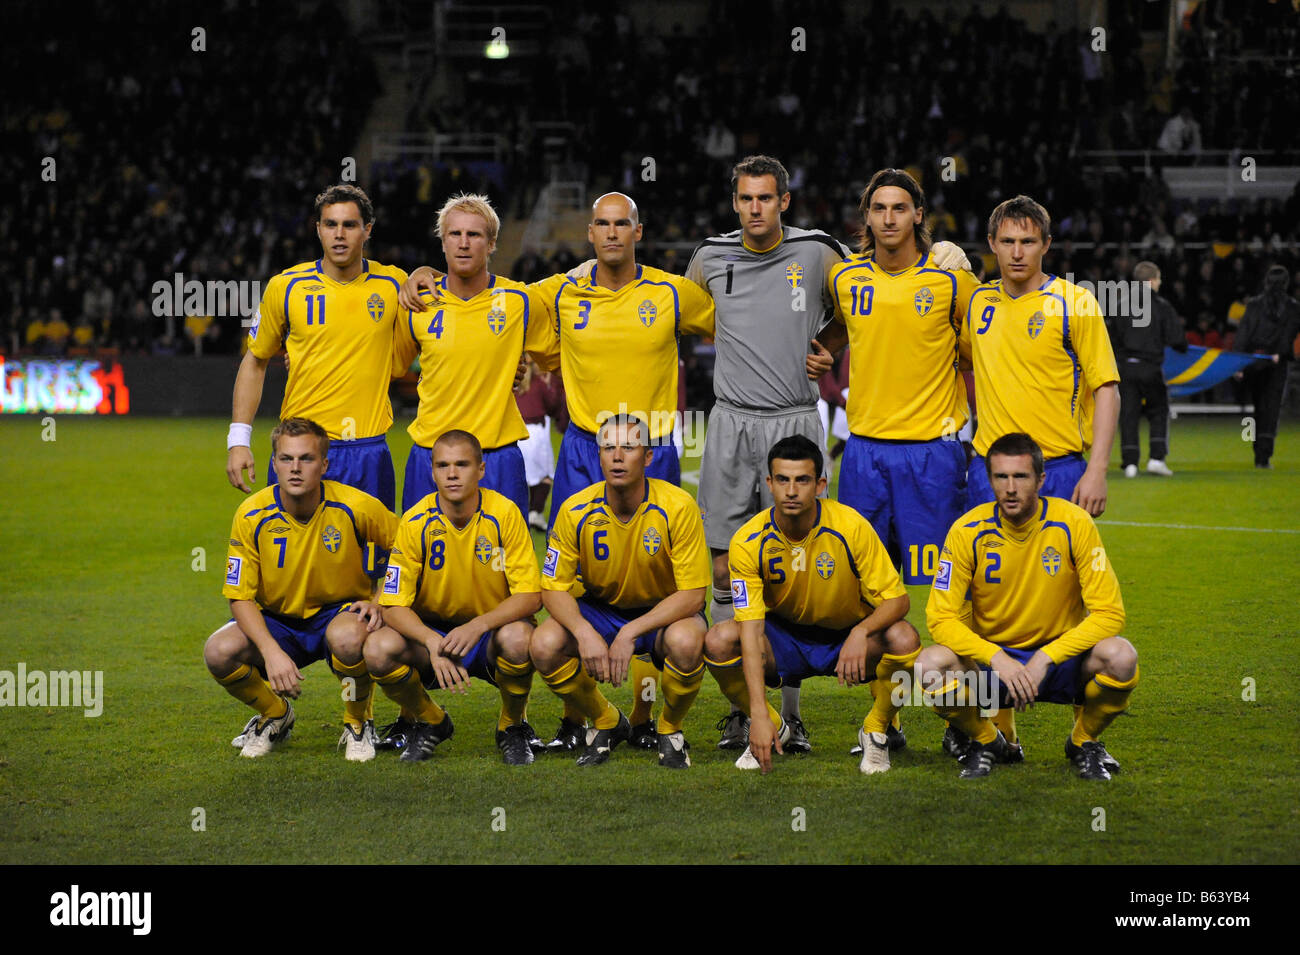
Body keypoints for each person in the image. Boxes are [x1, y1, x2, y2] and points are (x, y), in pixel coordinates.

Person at [402, 192, 712, 751]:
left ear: (638, 232)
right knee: (569, 582)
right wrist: (421, 274)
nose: (612, 233)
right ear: (588, 233)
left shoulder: (671, 291)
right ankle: (579, 717)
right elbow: (487, 305)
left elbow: (732, 327)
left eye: (623, 224)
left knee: (654, 582)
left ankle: (646, 716)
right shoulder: (559, 290)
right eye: (602, 224)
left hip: (655, 444)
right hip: (582, 446)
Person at [688, 156, 969, 753]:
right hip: (730, 423)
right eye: (745, 199)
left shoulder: (820, 252)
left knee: (807, 563)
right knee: (724, 569)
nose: (755, 208)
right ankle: (749, 712)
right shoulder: (708, 257)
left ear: (784, 202)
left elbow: (883, 281)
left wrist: (945, 252)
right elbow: (651, 293)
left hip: (795, 417)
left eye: (766, 198)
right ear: (734, 202)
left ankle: (799, 714)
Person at [918, 432, 1137, 780]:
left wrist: (1045, 657)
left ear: (1041, 479)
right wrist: (996, 657)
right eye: (1000, 477)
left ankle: (1083, 741)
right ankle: (988, 740)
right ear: (989, 479)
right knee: (928, 664)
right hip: (993, 666)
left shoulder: (1074, 523)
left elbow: (1110, 613)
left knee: (1122, 656)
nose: (1009, 488)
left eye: (1020, 476)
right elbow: (939, 617)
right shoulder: (966, 531)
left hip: (1060, 662)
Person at [703, 435, 919, 775]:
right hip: (783, 641)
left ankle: (876, 730)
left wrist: (861, 631)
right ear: (769, 483)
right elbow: (750, 626)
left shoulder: (850, 526)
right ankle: (777, 727)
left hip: (846, 638)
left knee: (905, 638)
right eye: (784, 480)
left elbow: (898, 599)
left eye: (802, 480)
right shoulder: (746, 541)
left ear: (820, 484)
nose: (792, 491)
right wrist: (758, 714)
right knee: (718, 640)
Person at [819, 168, 979, 585]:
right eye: (879, 209)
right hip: (863, 454)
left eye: (900, 209)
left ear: (919, 216)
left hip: (933, 453)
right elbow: (837, 329)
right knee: (862, 585)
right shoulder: (845, 278)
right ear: (866, 218)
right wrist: (816, 354)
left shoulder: (952, 281)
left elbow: (987, 343)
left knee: (943, 584)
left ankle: (945, 654)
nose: (889, 218)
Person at [204, 417, 397, 760]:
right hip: (278, 621)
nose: (295, 468)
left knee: (350, 638)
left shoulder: (357, 506)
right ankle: (275, 714)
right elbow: (239, 595)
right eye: (286, 459)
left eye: (306, 459)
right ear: (274, 463)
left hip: (339, 615)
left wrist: (380, 600)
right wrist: (271, 652)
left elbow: (410, 548)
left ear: (324, 465)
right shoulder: (251, 514)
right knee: (218, 651)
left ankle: (357, 722)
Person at [532, 414, 711, 768]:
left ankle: (669, 729)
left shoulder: (678, 507)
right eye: (608, 447)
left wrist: (630, 632)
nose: (617, 456)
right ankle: (607, 720)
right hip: (601, 610)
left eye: (628, 447)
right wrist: (584, 632)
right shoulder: (573, 509)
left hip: (663, 612)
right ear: (598, 456)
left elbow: (693, 595)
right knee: (543, 643)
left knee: (688, 642)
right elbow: (552, 588)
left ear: (647, 457)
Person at [365, 430, 544, 765]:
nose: (451, 473)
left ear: (481, 470)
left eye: (461, 464)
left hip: (489, 634)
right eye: (443, 465)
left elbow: (531, 596)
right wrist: (432, 642)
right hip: (433, 636)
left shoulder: (504, 514)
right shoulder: (415, 521)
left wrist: (478, 626)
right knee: (377, 649)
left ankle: (511, 726)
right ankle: (431, 720)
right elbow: (392, 604)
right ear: (432, 472)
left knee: (521, 638)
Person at [227, 184, 408, 510]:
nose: (339, 234)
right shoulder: (286, 287)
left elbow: (449, 315)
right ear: (318, 230)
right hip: (300, 451)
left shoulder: (395, 284)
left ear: (367, 230)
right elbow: (255, 360)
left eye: (349, 225)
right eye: (330, 224)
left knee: (371, 561)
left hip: (368, 451)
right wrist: (238, 441)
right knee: (290, 559)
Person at [392, 193, 559, 518]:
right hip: (430, 456)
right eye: (455, 234)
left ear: (492, 243)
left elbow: (560, 358)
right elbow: (389, 365)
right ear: (443, 242)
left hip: (497, 457)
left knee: (503, 565)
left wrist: (522, 361)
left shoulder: (520, 302)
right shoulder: (417, 304)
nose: (464, 243)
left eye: (474, 234)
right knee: (424, 564)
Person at [962, 195, 1121, 516]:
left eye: (1028, 241)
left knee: (1057, 567)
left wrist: (1097, 472)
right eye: (1007, 241)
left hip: (1057, 469)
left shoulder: (1076, 303)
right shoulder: (978, 302)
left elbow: (1107, 389)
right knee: (985, 567)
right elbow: (960, 359)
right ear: (991, 243)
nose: (1017, 253)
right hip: (988, 470)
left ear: (1046, 244)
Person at [1110, 261, 1187, 478]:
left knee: (1128, 414)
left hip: (1126, 368)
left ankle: (1130, 463)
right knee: (1159, 411)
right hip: (1151, 367)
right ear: (1152, 281)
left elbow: (1110, 339)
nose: (1160, 283)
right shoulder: (1162, 306)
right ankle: (1156, 458)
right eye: (1159, 279)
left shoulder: (1120, 304)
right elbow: (1177, 339)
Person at [1234, 264, 1300, 468]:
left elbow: (1244, 333)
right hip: (1275, 364)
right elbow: (1288, 334)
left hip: (1254, 361)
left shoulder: (1254, 304)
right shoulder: (1293, 307)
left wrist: (1238, 363)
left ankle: (1257, 448)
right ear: (1286, 284)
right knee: (1270, 410)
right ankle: (1263, 456)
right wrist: (1279, 354)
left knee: (1257, 409)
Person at [515, 358, 567, 530]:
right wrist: (549, 386)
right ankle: (535, 513)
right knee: (545, 476)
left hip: (516, 432)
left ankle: (520, 515)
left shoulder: (513, 385)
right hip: (536, 433)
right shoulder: (538, 382)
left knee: (520, 477)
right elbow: (553, 405)